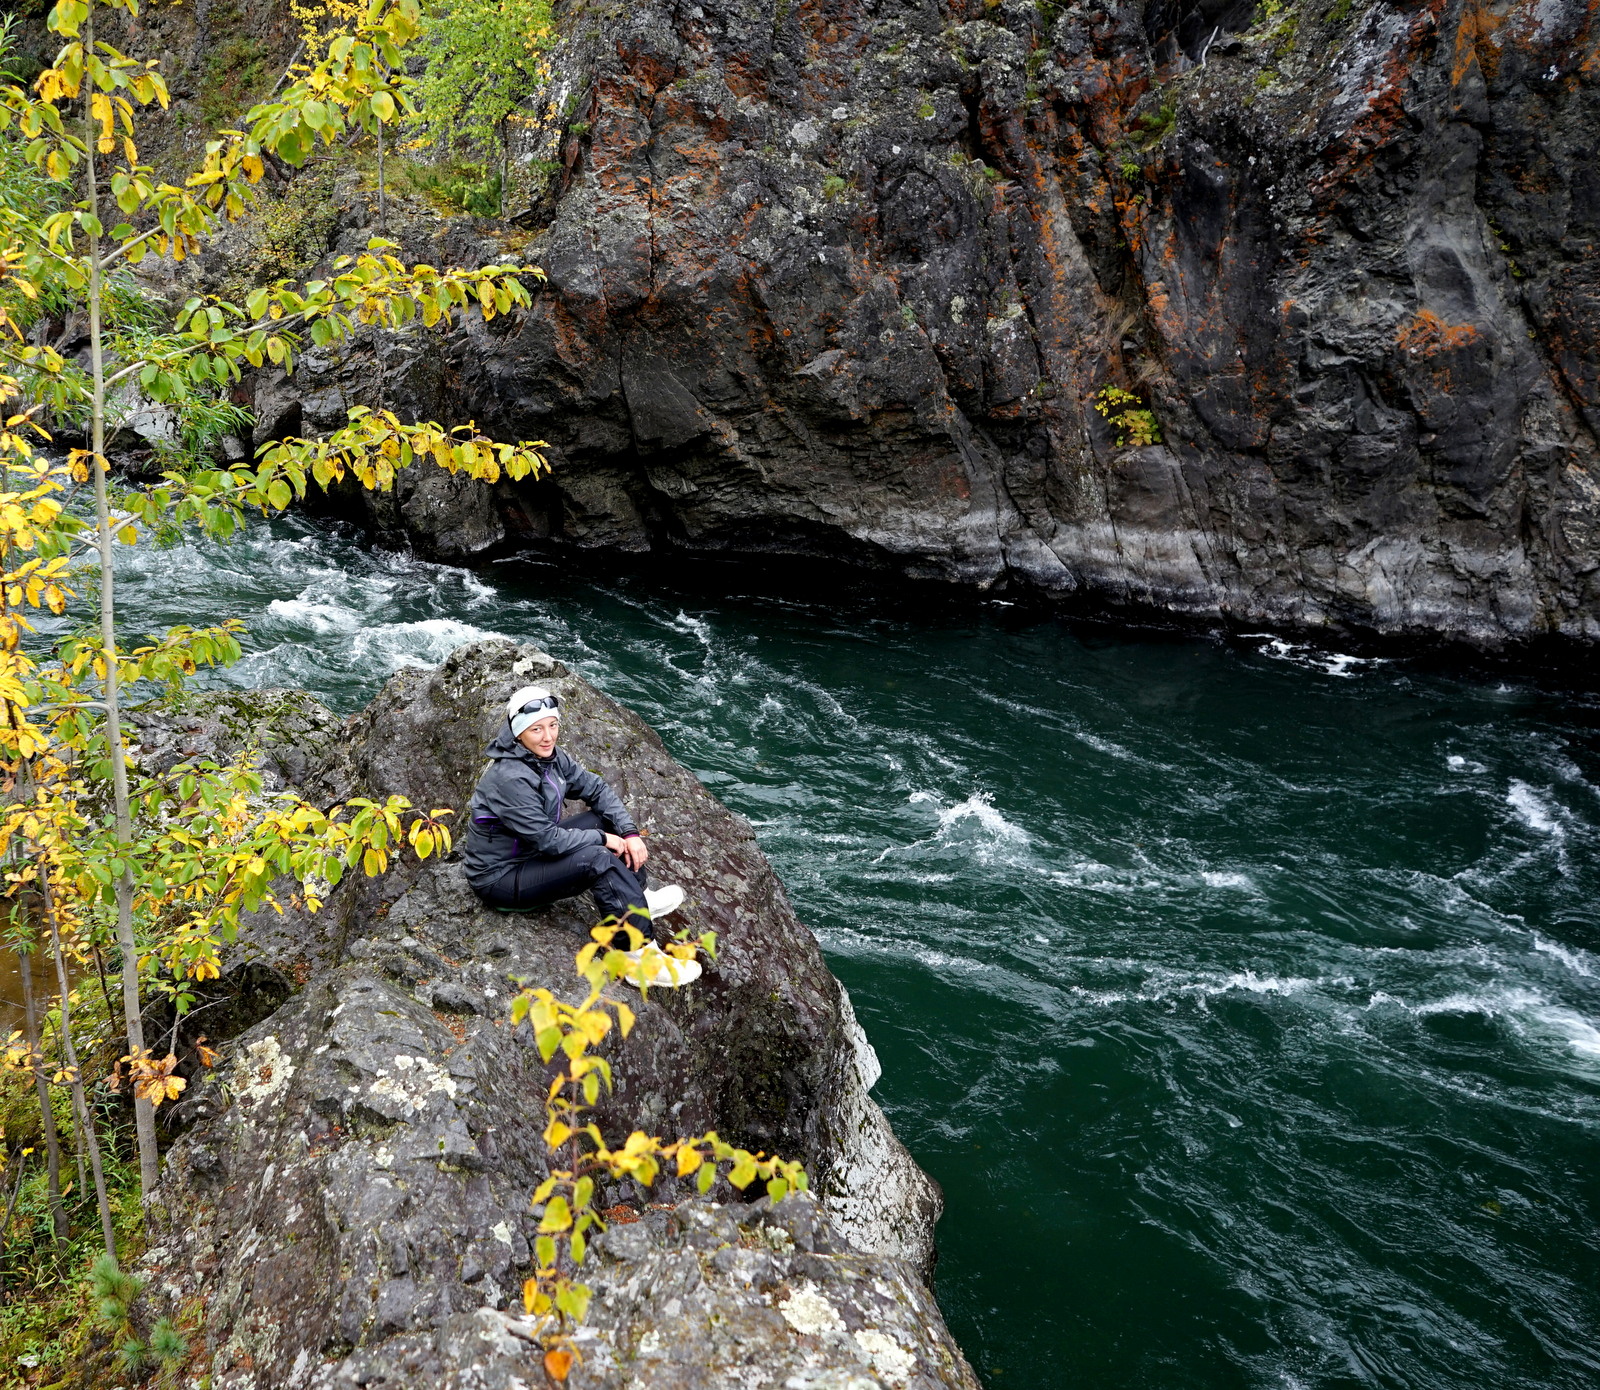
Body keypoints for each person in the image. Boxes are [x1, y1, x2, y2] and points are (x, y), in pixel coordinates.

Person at [463, 685, 699, 987]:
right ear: (518, 733)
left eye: (553, 725)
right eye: (536, 729)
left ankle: (636, 900)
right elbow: (547, 840)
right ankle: (639, 960)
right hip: (502, 877)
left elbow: (596, 789)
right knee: (598, 856)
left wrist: (627, 833)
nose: (548, 736)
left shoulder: (548, 757)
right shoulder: (509, 778)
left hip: (533, 853)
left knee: (607, 820)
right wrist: (602, 839)